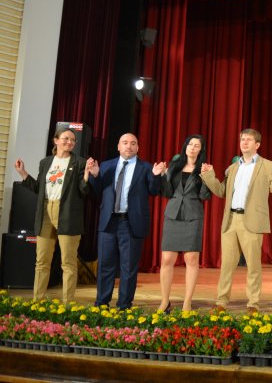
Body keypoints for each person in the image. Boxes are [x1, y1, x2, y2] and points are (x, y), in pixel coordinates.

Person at [200, 128, 272, 313]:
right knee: (226, 265)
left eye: (249, 140)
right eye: (242, 139)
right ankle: (221, 302)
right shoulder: (233, 167)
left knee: (253, 266)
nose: (244, 142)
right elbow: (221, 191)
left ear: (257, 145)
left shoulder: (267, 165)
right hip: (231, 220)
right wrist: (209, 175)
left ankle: (253, 304)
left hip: (252, 220)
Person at [87, 133, 165, 310]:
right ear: (118, 146)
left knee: (128, 268)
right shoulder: (106, 165)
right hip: (108, 222)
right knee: (105, 266)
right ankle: (102, 304)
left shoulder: (145, 167)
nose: (129, 146)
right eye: (125, 143)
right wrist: (96, 176)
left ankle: (124, 306)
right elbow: (96, 192)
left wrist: (155, 176)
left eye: (133, 143)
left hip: (131, 223)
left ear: (137, 147)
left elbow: (154, 191)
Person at [14, 128, 90, 304]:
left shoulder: (79, 162)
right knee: (42, 261)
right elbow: (38, 188)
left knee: (68, 263)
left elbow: (84, 191)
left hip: (68, 214)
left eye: (73, 140)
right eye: (66, 138)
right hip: (46, 212)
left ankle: (68, 305)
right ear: (56, 140)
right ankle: (37, 302)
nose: (70, 142)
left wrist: (86, 175)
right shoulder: (45, 162)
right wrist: (23, 173)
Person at [157, 135, 211, 312]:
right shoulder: (175, 166)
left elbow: (204, 196)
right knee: (167, 259)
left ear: (201, 150)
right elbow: (167, 193)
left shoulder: (203, 169)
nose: (192, 148)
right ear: (185, 146)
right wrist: (163, 175)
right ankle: (165, 301)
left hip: (193, 216)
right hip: (173, 215)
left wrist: (207, 178)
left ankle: (187, 302)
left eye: (197, 145)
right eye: (190, 144)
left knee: (191, 259)